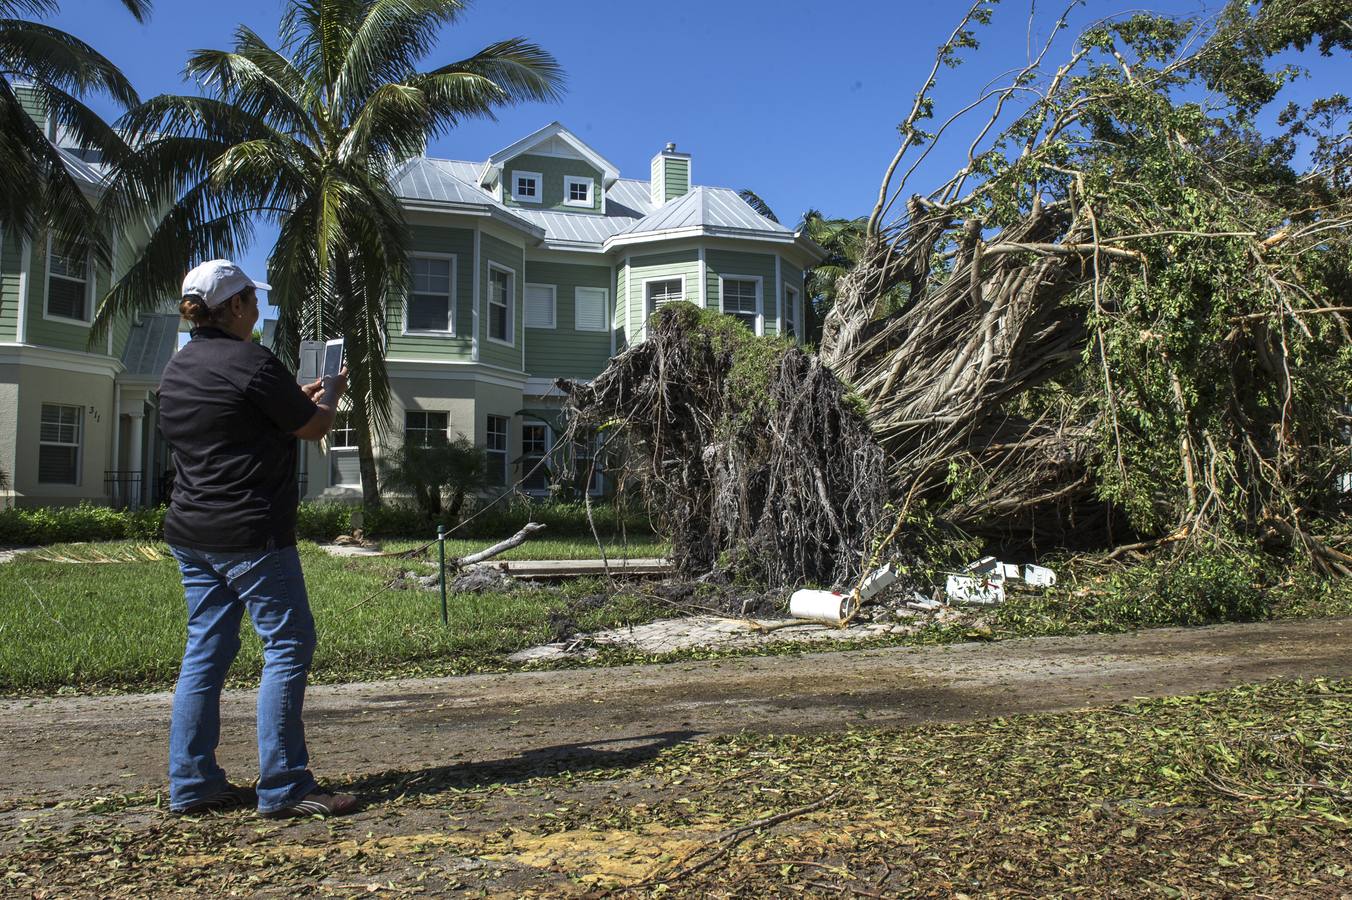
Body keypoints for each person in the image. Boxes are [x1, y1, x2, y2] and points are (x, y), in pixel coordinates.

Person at [157, 259, 357, 818]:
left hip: (192, 532)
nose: (259, 308)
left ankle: (193, 784)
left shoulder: (178, 367)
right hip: (251, 534)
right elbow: (313, 427)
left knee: (206, 652)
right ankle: (286, 785)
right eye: (253, 299)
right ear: (238, 306)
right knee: (289, 645)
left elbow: (234, 418)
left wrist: (293, 394)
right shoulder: (251, 360)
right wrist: (331, 391)